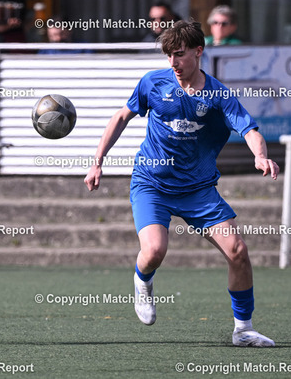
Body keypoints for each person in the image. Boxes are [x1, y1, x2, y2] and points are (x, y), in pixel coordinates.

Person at [84, 20, 278, 347]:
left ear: (199, 51)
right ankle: (143, 282)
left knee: (238, 251)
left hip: (198, 190)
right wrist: (97, 161)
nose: (173, 63)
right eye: (169, 55)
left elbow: (249, 130)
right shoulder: (153, 83)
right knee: (154, 251)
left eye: (180, 54)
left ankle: (243, 330)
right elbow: (121, 117)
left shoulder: (218, 95)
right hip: (152, 184)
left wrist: (260, 156)